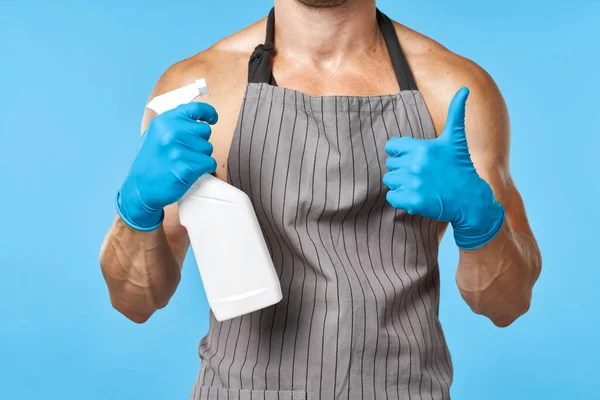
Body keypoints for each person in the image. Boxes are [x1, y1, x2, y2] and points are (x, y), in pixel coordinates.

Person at [99, 0, 542, 398]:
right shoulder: (203, 88)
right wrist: (137, 210)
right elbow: (136, 301)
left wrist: (481, 224)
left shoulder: (452, 90)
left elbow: (506, 304)